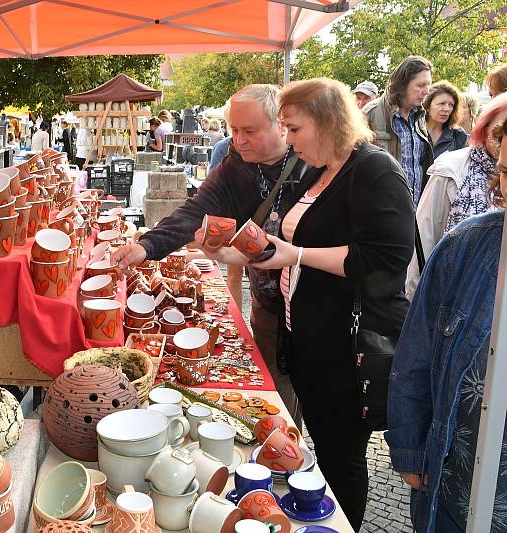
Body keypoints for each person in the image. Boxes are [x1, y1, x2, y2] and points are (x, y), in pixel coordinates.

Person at [249, 78, 414, 531]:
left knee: (342, 458)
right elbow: (297, 239)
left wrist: (296, 255)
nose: (289, 138)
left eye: (294, 127)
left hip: (347, 350)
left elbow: (384, 258)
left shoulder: (374, 170)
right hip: (309, 341)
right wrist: (257, 250)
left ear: (327, 121)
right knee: (323, 442)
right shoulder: (317, 168)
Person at [112, 84, 306, 428]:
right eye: (233, 130)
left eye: (249, 131)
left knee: (319, 406)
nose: (238, 140)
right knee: (278, 398)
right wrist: (145, 246)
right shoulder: (236, 161)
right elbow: (195, 210)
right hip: (269, 302)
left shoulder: (311, 159)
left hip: (315, 307)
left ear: (282, 124)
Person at [386, 122, 506, 533]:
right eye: (506, 173)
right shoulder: (466, 246)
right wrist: (410, 450)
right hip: (454, 497)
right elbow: (416, 354)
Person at [406, 92, 507, 298]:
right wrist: (415, 300)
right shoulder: (451, 169)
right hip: (451, 299)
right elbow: (425, 239)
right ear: (485, 127)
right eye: (500, 129)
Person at [363, 56, 434, 206]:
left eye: (428, 85)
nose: (426, 91)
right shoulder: (372, 112)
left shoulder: (419, 116)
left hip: (414, 210)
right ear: (402, 85)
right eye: (421, 85)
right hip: (381, 207)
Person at [423, 81, 468, 158]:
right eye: (442, 103)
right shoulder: (415, 131)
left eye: (451, 105)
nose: (447, 109)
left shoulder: (458, 135)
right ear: (427, 106)